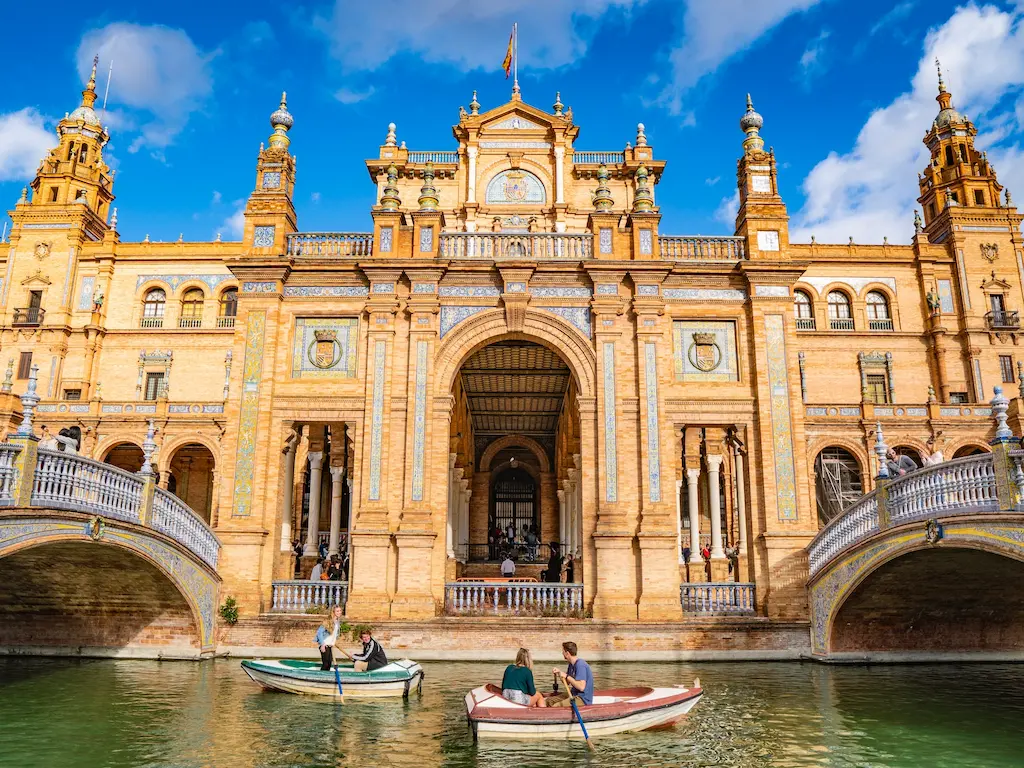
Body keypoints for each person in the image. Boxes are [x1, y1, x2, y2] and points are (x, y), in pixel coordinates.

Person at [551, 641, 594, 707]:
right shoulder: (571, 664)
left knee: (556, 706)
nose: (562, 653)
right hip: (573, 694)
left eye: (563, 651)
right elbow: (567, 682)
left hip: (582, 698)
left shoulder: (580, 665)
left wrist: (566, 676)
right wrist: (559, 673)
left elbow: (581, 687)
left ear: (567, 653)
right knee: (549, 701)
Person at [314, 604, 343, 671]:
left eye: (340, 611)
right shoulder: (328, 621)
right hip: (325, 644)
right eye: (337, 611)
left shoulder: (337, 622)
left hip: (330, 645)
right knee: (326, 663)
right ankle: (321, 677)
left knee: (329, 664)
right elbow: (319, 632)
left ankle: (325, 678)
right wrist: (322, 644)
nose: (339, 612)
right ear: (333, 612)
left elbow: (334, 634)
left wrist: (333, 642)